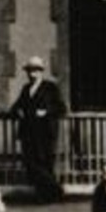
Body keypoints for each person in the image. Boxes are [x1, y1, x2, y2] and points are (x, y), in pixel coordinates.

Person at [10, 55, 67, 201]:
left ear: (41, 72)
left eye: (35, 71)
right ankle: (46, 192)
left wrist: (46, 112)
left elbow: (62, 108)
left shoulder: (50, 87)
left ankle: (53, 193)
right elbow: (15, 107)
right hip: (28, 132)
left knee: (44, 163)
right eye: (29, 71)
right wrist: (18, 111)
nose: (32, 74)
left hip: (45, 133)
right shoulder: (26, 88)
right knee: (31, 163)